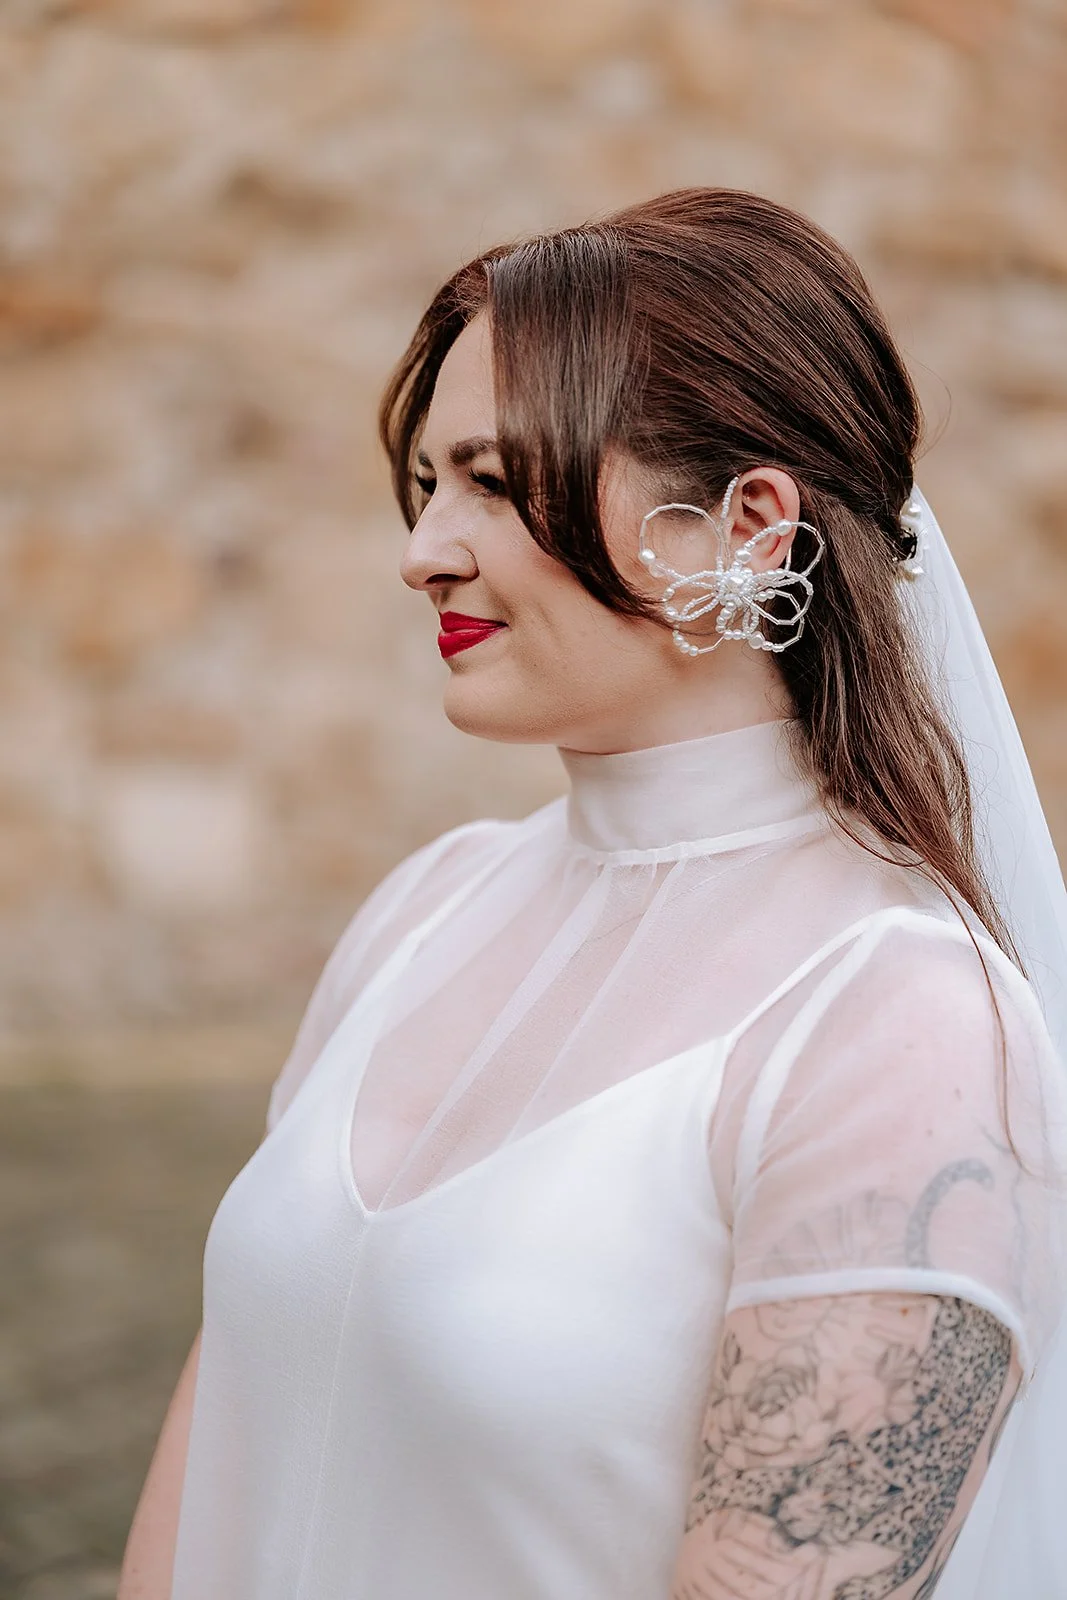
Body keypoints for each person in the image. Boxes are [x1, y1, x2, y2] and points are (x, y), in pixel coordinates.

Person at [120, 188, 1067, 1600]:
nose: (424, 548)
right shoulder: (423, 911)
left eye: (496, 484)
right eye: (431, 481)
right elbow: (214, 1460)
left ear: (744, 524)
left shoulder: (898, 1026)